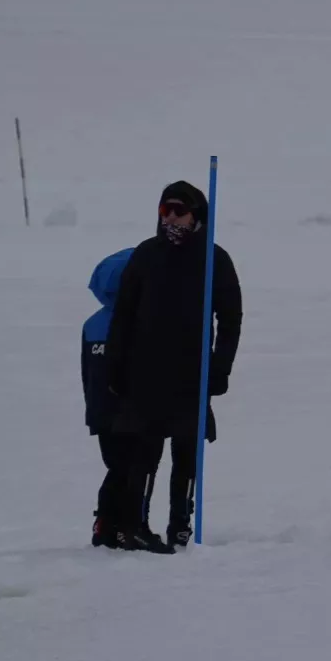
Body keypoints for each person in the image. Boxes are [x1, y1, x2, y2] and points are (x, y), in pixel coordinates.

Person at [106, 180, 243, 552]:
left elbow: (230, 320)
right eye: (163, 210)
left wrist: (219, 368)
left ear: (196, 215)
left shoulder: (215, 260)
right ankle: (136, 525)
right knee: (145, 451)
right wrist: (115, 365)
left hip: (190, 374)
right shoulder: (146, 255)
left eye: (178, 211)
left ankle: (180, 525)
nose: (170, 218)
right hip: (145, 372)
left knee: (186, 451)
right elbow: (124, 315)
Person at [82, 247, 135, 549]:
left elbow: (85, 373)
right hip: (127, 410)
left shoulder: (91, 325)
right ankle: (114, 525)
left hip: (101, 412)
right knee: (129, 468)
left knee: (117, 466)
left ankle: (108, 523)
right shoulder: (136, 324)